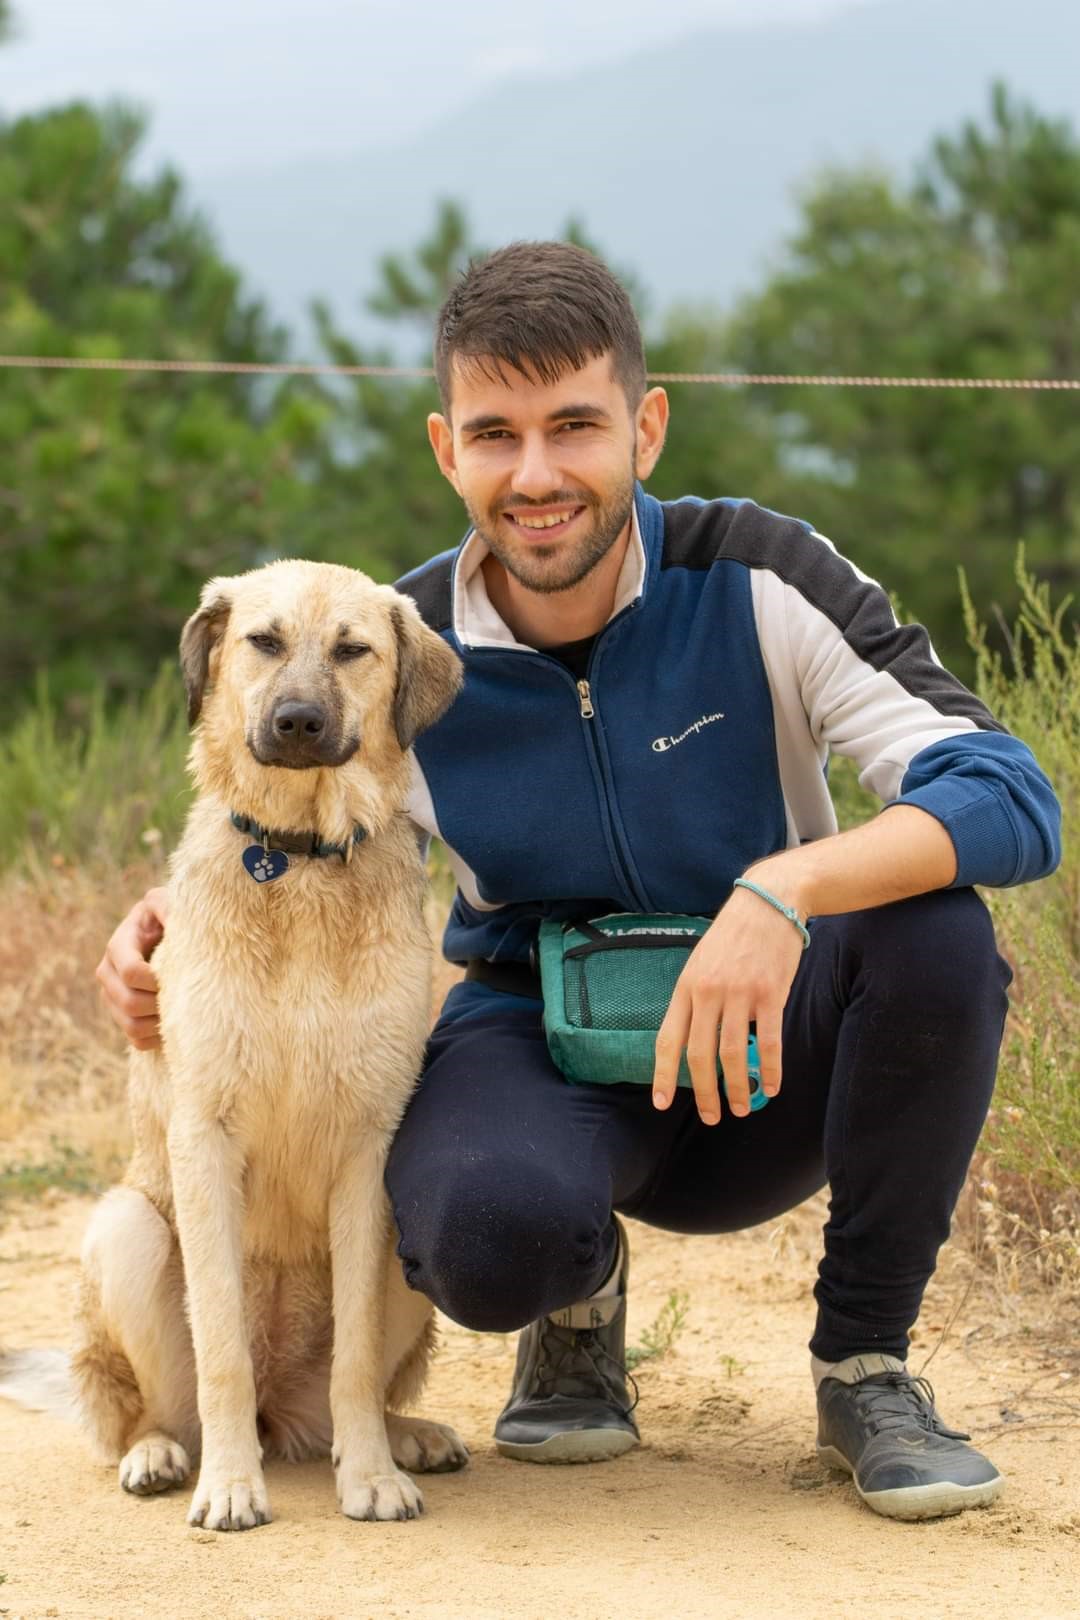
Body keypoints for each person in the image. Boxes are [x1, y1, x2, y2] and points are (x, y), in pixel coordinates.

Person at [98, 241, 1061, 1522]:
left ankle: (864, 1363)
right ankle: (572, 1299)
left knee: (937, 934)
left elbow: (1011, 795)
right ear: (447, 449)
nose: (537, 474)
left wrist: (781, 891)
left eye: (576, 426)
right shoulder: (394, 650)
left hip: (766, 1051)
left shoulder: (761, 578)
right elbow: (271, 808)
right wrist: (156, 925)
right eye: (496, 434)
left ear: (645, 428)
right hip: (546, 1052)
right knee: (476, 1234)